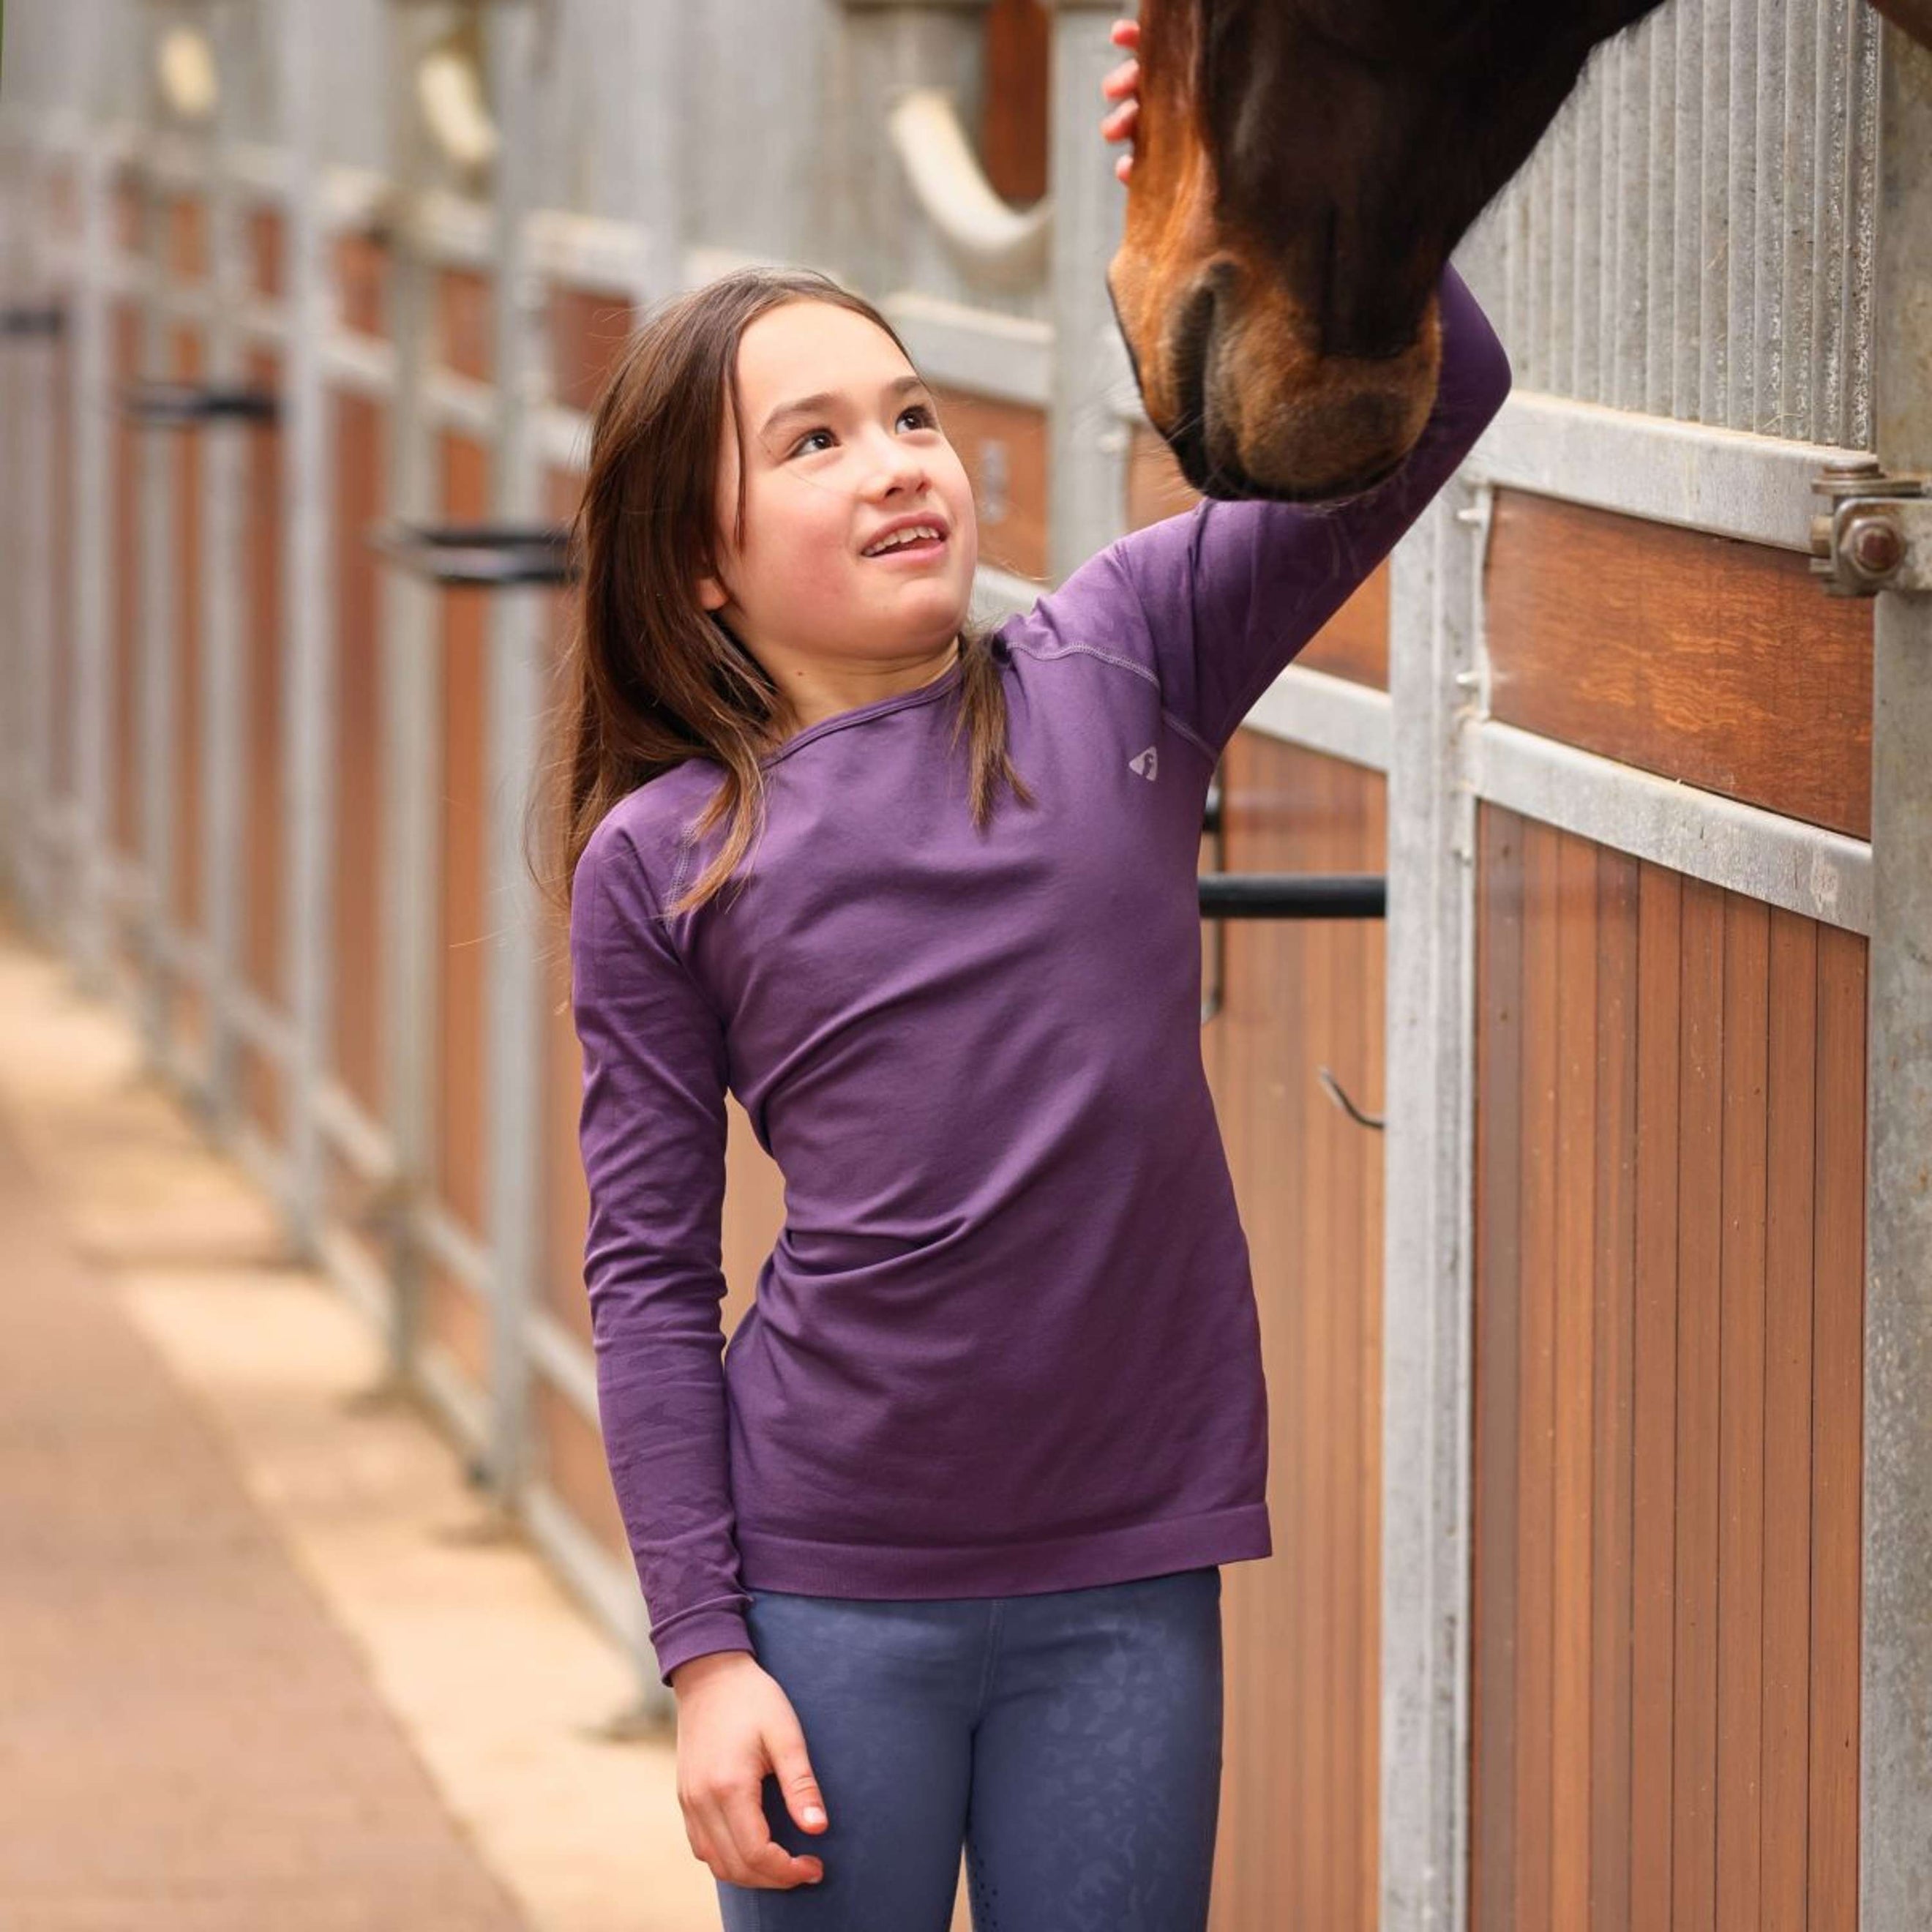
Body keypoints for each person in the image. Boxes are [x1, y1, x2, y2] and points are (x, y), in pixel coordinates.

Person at [545, 17, 1513, 1928]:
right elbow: (649, 1277)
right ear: (702, 560)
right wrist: (705, 1656)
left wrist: (1250, 171)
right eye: (811, 442)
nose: (896, 465)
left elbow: (1450, 386)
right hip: (827, 1590)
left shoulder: (1126, 660)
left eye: (911, 416)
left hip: (1128, 1577)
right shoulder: (660, 863)